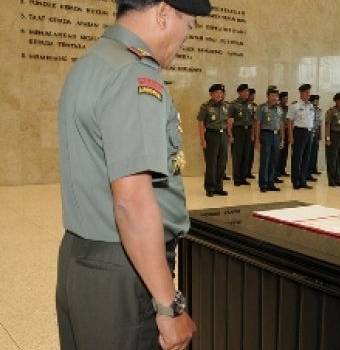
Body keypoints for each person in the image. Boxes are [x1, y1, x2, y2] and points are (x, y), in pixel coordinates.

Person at [56, 1, 210, 349]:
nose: (187, 37)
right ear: (163, 13)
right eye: (189, 26)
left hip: (78, 259)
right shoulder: (135, 74)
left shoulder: (93, 62)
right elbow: (132, 202)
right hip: (125, 270)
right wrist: (169, 306)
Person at [197, 83, 229, 197]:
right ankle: (210, 187)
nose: (219, 95)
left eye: (221, 93)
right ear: (211, 94)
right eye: (217, 93)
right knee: (211, 163)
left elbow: (228, 121)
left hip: (223, 136)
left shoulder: (225, 106)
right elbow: (200, 123)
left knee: (222, 163)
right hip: (211, 135)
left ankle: (218, 187)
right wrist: (202, 139)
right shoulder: (205, 106)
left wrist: (229, 135)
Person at [256, 87, 284, 192]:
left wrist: (282, 138)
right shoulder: (262, 108)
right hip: (266, 134)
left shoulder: (279, 109)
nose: (274, 98)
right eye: (272, 95)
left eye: (276, 96)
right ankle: (263, 184)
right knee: (265, 160)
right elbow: (258, 124)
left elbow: (281, 123)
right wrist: (257, 140)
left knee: (274, 160)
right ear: (267, 96)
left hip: (276, 136)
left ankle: (271, 182)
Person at [287, 84, 315, 189]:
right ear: (301, 93)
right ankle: (296, 181)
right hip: (299, 132)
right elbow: (289, 121)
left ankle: (303, 180)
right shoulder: (295, 106)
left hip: (309, 133)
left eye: (309, 92)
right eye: (307, 92)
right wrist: (290, 136)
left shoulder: (311, 106)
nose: (309, 94)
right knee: (297, 158)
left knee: (306, 158)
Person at [227, 83, 254, 186]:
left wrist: (252, 134)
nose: (247, 93)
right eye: (245, 91)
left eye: (248, 91)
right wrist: (230, 135)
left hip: (248, 131)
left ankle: (243, 178)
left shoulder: (250, 104)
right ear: (239, 92)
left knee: (246, 155)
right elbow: (230, 121)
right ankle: (237, 179)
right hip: (238, 131)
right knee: (237, 156)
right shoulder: (233, 104)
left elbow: (252, 120)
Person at [276, 91, 291, 179]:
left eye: (287, 98)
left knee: (285, 152)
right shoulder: (277, 108)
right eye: (284, 98)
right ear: (280, 99)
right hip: (278, 132)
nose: (286, 100)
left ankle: (282, 170)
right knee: (278, 153)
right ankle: (276, 171)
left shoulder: (288, 109)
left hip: (286, 131)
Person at [308, 94, 323, 179]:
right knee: (309, 153)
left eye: (318, 100)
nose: (317, 102)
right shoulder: (310, 109)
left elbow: (320, 123)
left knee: (315, 151)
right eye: (316, 100)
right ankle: (308, 170)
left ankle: (314, 168)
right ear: (312, 101)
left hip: (316, 132)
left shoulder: (319, 110)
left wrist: (320, 134)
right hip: (310, 131)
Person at [246, 88, 258, 180]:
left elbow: (255, 121)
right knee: (244, 154)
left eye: (253, 95)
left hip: (252, 131)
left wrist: (254, 134)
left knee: (250, 154)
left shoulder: (255, 106)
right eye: (251, 95)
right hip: (244, 130)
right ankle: (242, 173)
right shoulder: (243, 105)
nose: (252, 97)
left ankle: (248, 172)